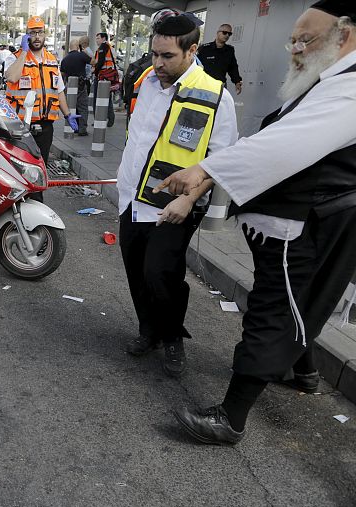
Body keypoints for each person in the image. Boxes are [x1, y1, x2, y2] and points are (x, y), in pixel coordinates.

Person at [155, 0, 356, 446]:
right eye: (294, 39)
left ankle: (231, 416)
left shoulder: (350, 88)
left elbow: (283, 146)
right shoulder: (331, 80)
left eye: (306, 38)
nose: (295, 48)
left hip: (305, 225)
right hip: (295, 223)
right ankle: (302, 371)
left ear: (344, 36)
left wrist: (205, 172)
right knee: (298, 301)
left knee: (273, 311)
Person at [116, 11, 238, 378]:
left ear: (192, 50)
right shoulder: (147, 83)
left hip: (176, 204)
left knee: (161, 273)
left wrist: (189, 199)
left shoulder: (216, 95)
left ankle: (172, 337)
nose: (157, 63)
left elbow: (221, 159)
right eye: (154, 54)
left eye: (167, 56)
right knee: (137, 271)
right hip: (132, 198)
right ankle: (148, 330)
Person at [5, 16, 80, 202]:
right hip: (21, 127)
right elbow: (12, 77)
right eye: (32, 33)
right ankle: (17, 206)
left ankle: (36, 205)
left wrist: (68, 114)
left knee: (40, 170)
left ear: (45, 34)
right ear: (26, 36)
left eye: (40, 32)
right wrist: (23, 52)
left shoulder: (52, 60)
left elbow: (59, 90)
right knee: (21, 169)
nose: (37, 36)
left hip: (45, 127)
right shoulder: (14, 58)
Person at [197, 23, 244, 95]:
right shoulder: (204, 49)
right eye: (224, 33)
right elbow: (196, 65)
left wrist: (237, 82)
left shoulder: (229, 50)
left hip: (220, 86)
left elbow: (233, 68)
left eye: (229, 34)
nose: (227, 35)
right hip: (204, 85)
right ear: (218, 33)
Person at [60, 38, 92, 136]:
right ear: (78, 47)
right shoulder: (82, 55)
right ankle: (82, 129)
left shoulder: (65, 59)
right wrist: (86, 51)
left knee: (72, 107)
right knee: (82, 107)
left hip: (69, 86)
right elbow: (94, 62)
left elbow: (62, 75)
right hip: (81, 85)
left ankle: (73, 127)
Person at [90, 32, 118, 126]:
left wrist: (95, 71)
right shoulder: (109, 47)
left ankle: (98, 119)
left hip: (102, 76)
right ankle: (110, 117)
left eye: (98, 38)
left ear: (103, 38)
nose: (96, 40)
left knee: (97, 99)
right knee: (107, 97)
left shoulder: (103, 47)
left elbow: (101, 62)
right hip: (108, 76)